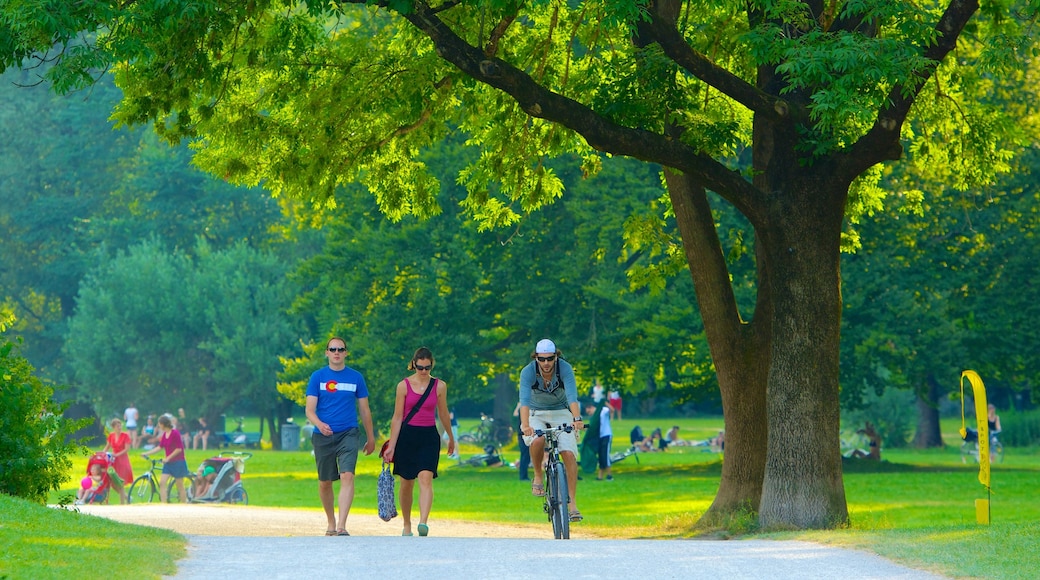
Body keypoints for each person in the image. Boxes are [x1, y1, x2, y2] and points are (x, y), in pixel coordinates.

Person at [381, 347, 456, 537]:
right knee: (406, 482)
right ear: (414, 364)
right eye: (420, 367)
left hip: (429, 436)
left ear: (432, 365)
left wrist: (450, 437)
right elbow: (397, 417)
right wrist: (392, 445)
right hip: (407, 436)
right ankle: (407, 524)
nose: (423, 372)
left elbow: (444, 413)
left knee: (426, 477)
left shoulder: (439, 386)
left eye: (427, 368)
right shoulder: (403, 386)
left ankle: (423, 522)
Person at [305, 337, 376, 537]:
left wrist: (370, 438)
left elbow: (364, 409)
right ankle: (331, 521)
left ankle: (342, 525)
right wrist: (320, 424)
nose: (337, 352)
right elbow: (309, 410)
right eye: (333, 349)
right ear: (327, 353)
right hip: (323, 435)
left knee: (347, 475)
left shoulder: (356, 378)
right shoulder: (317, 377)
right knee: (325, 481)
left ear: (346, 353)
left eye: (341, 349)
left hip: (348, 433)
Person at [518, 338, 584, 523]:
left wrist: (577, 418)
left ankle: (572, 504)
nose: (546, 363)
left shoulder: (565, 368)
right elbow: (524, 401)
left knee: (568, 453)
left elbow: (572, 395)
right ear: (536, 358)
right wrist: (525, 426)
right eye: (542, 359)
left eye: (550, 358)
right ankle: (538, 476)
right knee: (537, 439)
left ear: (556, 356)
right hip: (536, 412)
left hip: (561, 411)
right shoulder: (528, 372)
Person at [141, 414, 189, 502]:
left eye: (159, 424)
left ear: (163, 424)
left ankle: (184, 504)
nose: (159, 426)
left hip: (178, 462)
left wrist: (168, 458)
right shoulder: (164, 435)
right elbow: (159, 447)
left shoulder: (175, 433)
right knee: (162, 483)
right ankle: (164, 504)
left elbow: (179, 449)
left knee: (180, 485)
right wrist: (147, 453)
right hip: (169, 464)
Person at [103, 418, 133, 503]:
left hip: (123, 461)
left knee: (120, 483)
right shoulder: (111, 436)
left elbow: (127, 449)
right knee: (113, 483)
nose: (119, 427)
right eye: (117, 426)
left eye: (120, 425)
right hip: (114, 461)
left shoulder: (125, 435)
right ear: (113, 427)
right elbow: (107, 446)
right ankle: (128, 497)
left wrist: (117, 455)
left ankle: (122, 504)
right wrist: (102, 454)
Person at [513, 401, 530, 480]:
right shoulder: (524, 410)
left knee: (525, 456)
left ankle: (523, 475)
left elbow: (515, 414)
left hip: (522, 433)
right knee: (525, 456)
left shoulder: (522, 408)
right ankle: (523, 476)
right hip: (523, 434)